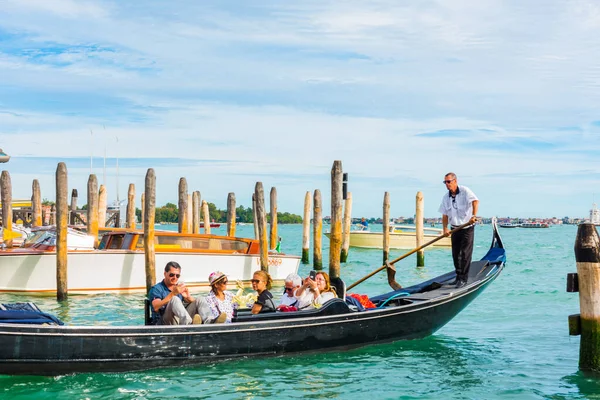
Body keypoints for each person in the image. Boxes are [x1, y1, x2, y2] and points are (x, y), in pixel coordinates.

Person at [148, 261, 226, 325]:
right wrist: (173, 294)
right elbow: (155, 307)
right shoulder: (156, 289)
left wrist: (188, 297)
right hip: (164, 322)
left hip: (179, 320)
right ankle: (189, 324)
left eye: (177, 275)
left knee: (200, 299)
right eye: (172, 275)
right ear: (165, 274)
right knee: (174, 299)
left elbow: (194, 304)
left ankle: (209, 321)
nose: (175, 278)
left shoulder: (178, 287)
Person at [438, 172, 479, 289]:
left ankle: (463, 279)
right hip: (454, 229)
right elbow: (445, 214)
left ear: (455, 181)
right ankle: (458, 276)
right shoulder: (446, 197)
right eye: (445, 182)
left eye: (449, 181)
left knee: (465, 254)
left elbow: (475, 201)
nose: (447, 184)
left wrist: (474, 215)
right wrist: (445, 228)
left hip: (467, 227)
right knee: (455, 254)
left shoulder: (465, 191)